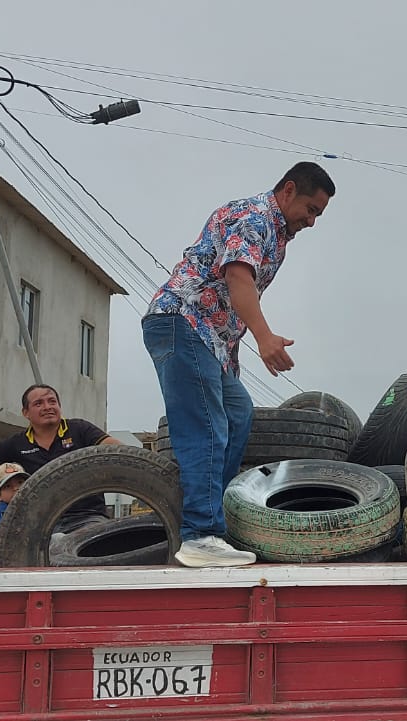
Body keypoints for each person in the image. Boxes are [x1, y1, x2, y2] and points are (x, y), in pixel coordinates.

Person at [142, 161, 335, 568]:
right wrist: (264, 338)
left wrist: (232, 354)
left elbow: (230, 300)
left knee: (236, 413)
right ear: (288, 190)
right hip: (183, 322)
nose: (312, 221)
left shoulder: (277, 234)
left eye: (319, 214)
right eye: (311, 209)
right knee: (206, 425)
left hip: (210, 339)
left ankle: (211, 522)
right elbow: (238, 279)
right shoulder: (254, 217)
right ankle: (200, 534)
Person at [0, 383, 122, 534]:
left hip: (87, 517)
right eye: (38, 403)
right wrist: (8, 476)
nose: (47, 407)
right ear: (26, 412)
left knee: (97, 539)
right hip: (39, 522)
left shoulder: (80, 429)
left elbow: (118, 450)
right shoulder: (18, 442)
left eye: (52, 401)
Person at [0, 462, 28, 538]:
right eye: (8, 486)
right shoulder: (3, 512)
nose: (16, 488)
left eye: (20, 482)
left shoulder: (32, 504)